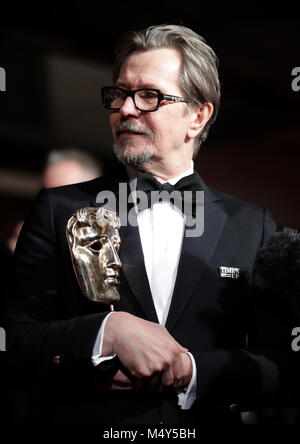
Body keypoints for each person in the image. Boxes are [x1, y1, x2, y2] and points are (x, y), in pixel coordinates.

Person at [1, 24, 296, 425]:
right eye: (119, 94)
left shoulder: (252, 225)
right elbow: (13, 343)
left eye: (149, 96)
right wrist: (107, 331)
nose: (125, 108)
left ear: (197, 115)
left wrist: (194, 371)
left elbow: (282, 365)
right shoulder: (59, 208)